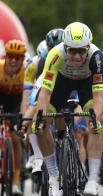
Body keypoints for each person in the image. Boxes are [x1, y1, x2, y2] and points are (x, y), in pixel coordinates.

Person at [17, 22, 103, 196]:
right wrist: (40, 117)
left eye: (82, 50)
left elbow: (97, 97)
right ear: (65, 47)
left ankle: (92, 180)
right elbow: (46, 92)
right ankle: (53, 176)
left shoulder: (96, 56)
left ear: (88, 47)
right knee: (39, 124)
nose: (78, 56)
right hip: (61, 84)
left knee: (96, 123)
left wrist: (94, 118)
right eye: (72, 50)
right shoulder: (55, 55)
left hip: (86, 85)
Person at [23, 29, 64, 173]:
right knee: (34, 112)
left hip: (68, 88)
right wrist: (25, 117)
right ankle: (38, 157)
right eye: (50, 48)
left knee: (77, 126)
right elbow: (29, 93)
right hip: (45, 86)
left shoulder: (71, 57)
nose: (54, 52)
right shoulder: (38, 61)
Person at [0, 40, 27, 196]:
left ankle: (15, 181)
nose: (14, 60)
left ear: (22, 59)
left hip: (17, 102)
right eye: (11, 56)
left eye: (18, 57)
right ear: (6, 56)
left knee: (16, 139)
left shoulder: (25, 71)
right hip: (1, 98)